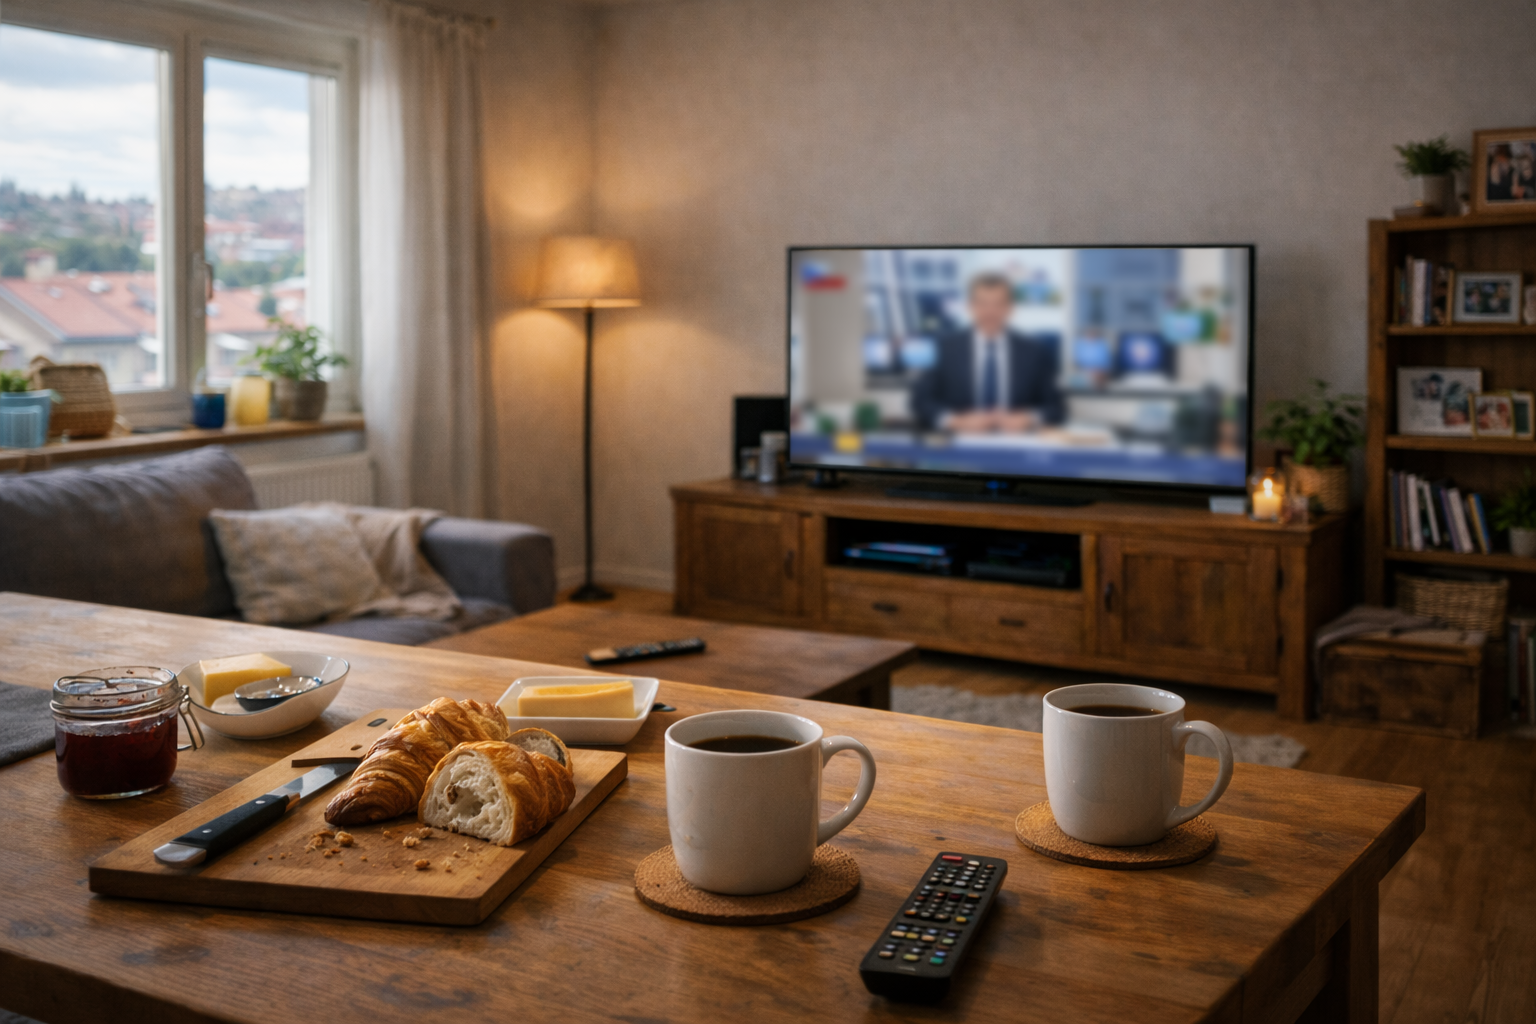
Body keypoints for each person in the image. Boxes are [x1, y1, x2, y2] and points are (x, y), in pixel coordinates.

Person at [910, 272, 1064, 432]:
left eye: (998, 304)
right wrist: (955, 420)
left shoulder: (1035, 352)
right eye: (982, 303)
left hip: (1016, 445)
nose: (990, 311)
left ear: (1010, 308)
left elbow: (1057, 408)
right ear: (970, 307)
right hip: (959, 443)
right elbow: (920, 402)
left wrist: (1029, 418)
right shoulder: (944, 348)